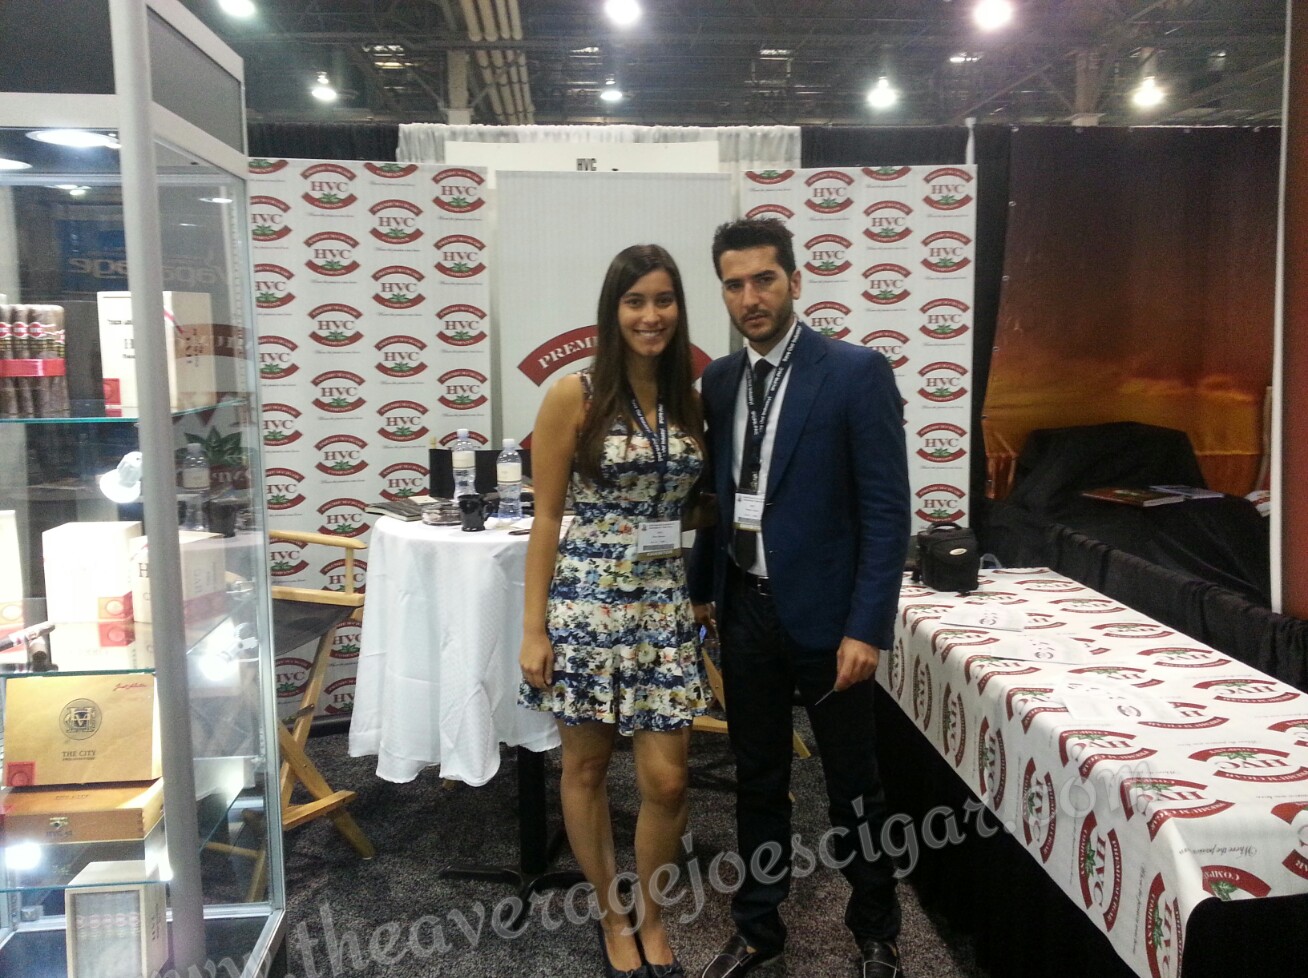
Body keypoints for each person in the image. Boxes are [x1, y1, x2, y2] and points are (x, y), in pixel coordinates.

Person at [688, 218, 911, 978]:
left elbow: (886, 512)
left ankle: (877, 932)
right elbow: (717, 498)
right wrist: (702, 591)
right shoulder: (721, 381)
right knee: (758, 779)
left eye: (764, 280)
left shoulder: (854, 372)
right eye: (735, 284)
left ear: (794, 281)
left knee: (854, 786)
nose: (750, 298)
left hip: (830, 620)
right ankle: (759, 927)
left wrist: (867, 627)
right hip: (745, 610)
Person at [520, 244, 710, 978]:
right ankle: (611, 915)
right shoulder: (573, 393)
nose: (650, 315)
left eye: (663, 300)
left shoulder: (689, 397)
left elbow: (692, 504)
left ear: (678, 308)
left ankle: (653, 912)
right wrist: (533, 628)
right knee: (588, 767)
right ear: (614, 311)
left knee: (668, 781)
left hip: (662, 605)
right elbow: (546, 518)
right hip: (587, 603)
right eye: (636, 301)